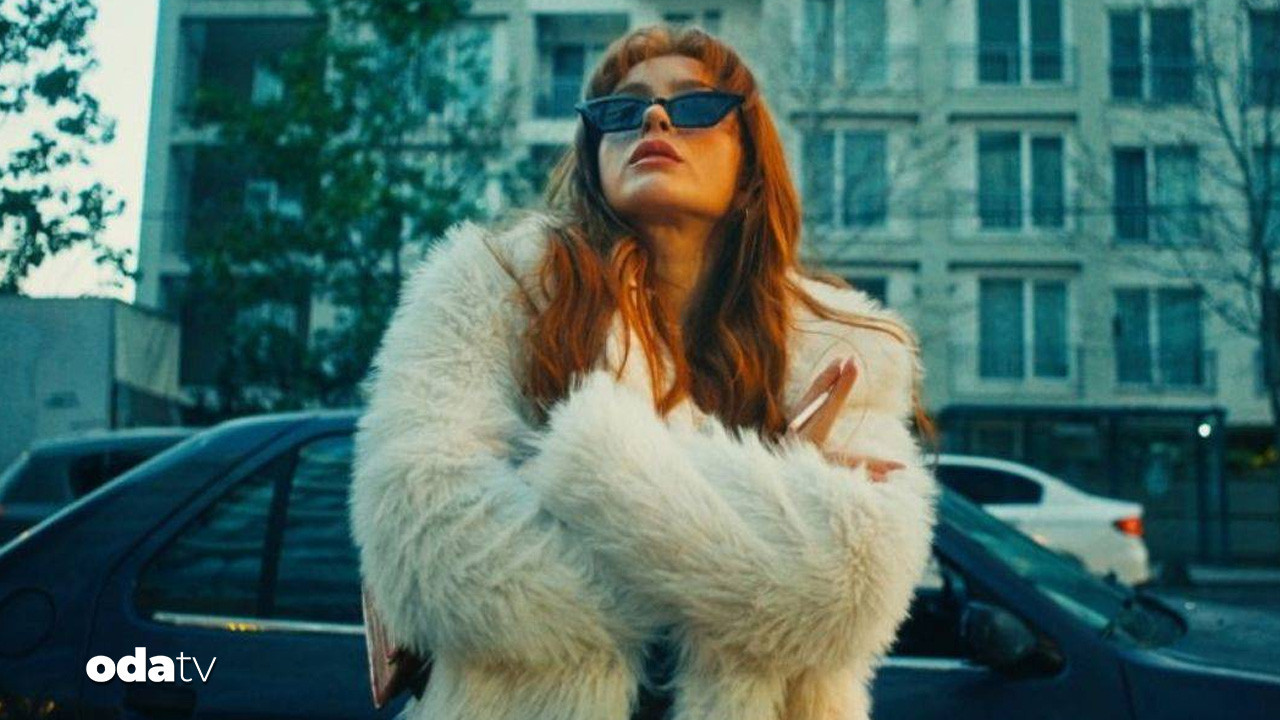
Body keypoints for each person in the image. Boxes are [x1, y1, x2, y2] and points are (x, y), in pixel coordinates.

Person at [349, 23, 940, 720]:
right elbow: (426, 538)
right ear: (593, 154)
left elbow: (855, 583)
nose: (655, 117)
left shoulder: (839, 341)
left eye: (694, 106)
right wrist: (769, 498)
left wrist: (592, 473)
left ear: (751, 166)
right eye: (622, 110)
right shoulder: (494, 286)